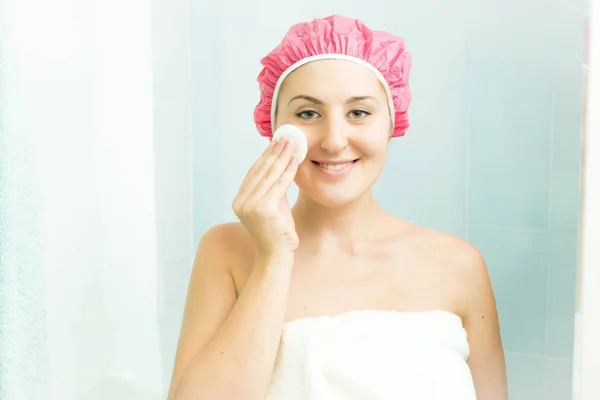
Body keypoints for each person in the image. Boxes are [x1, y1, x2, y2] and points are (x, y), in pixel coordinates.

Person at [167, 14, 508, 400]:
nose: (333, 140)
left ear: (391, 123)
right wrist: (274, 255)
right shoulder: (227, 251)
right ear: (273, 126)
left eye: (358, 113)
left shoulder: (459, 265)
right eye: (308, 113)